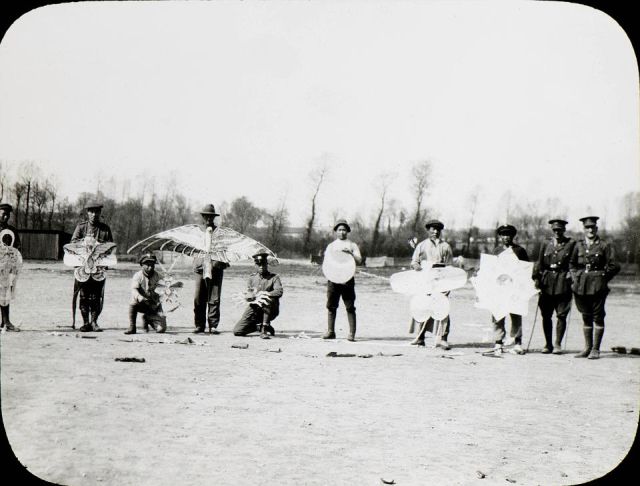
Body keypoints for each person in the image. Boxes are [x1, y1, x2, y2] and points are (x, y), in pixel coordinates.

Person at [570, 216, 620, 359]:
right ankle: (587, 348)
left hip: (598, 286)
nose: (590, 230)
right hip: (580, 286)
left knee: (598, 316)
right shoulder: (578, 245)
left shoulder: (605, 245)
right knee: (585, 316)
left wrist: (603, 278)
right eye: (587, 227)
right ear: (584, 229)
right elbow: (572, 264)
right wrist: (574, 279)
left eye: (592, 227)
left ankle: (596, 349)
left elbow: (614, 266)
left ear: (596, 229)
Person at [409, 219, 454, 349]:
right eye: (432, 229)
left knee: (443, 308)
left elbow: (450, 267)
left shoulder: (446, 246)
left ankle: (444, 338)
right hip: (425, 281)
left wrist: (448, 285)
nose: (435, 231)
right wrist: (416, 266)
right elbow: (414, 261)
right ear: (428, 230)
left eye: (437, 229)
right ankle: (420, 338)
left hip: (441, 282)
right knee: (423, 307)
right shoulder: (421, 245)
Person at [534, 219, 576, 354]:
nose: (557, 232)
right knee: (546, 315)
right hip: (547, 283)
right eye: (555, 230)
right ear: (552, 230)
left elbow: (574, 263)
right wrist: (536, 277)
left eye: (560, 230)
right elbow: (540, 263)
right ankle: (548, 344)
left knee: (561, 315)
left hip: (563, 282)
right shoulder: (546, 243)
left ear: (564, 230)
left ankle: (557, 344)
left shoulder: (571, 244)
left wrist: (572, 275)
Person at [71, 201, 114, 332]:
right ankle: (85, 323)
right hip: (83, 268)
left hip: (98, 268)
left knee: (96, 296)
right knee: (83, 295)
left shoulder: (105, 229)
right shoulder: (81, 228)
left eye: (96, 212)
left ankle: (94, 322)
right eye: (91, 211)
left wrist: (104, 257)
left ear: (100, 213)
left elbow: (111, 247)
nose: (94, 214)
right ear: (87, 213)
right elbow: (73, 244)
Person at [492, 224, 530, 355]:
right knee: (498, 315)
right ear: (500, 236)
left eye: (508, 234)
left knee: (516, 313)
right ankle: (498, 342)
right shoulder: (496, 251)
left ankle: (517, 342)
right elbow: (492, 270)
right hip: (500, 289)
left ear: (513, 236)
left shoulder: (520, 251)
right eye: (503, 234)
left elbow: (526, 270)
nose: (506, 237)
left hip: (515, 289)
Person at [322, 219, 362, 341]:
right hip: (333, 279)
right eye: (339, 229)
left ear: (347, 231)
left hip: (348, 279)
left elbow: (359, 261)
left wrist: (351, 253)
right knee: (331, 306)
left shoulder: (352, 245)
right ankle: (330, 331)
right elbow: (326, 263)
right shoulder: (331, 246)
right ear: (336, 231)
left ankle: (351, 333)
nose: (342, 232)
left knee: (350, 306)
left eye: (344, 229)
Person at [193, 203, 229, 334]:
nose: (209, 218)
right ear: (203, 217)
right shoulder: (197, 232)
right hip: (200, 267)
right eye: (206, 216)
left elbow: (225, 250)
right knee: (198, 297)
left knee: (214, 297)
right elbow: (191, 249)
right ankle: (199, 325)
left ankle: (213, 325)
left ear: (214, 217)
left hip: (216, 268)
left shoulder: (220, 233)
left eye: (211, 216)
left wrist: (218, 263)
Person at [233, 252, 283, 339]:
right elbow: (250, 292)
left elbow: (279, 291)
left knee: (265, 298)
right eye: (258, 264)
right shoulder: (252, 278)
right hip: (255, 308)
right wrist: (248, 296)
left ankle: (264, 327)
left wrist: (265, 294)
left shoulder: (274, 277)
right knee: (237, 331)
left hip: (270, 309)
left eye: (263, 264)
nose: (261, 267)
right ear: (255, 265)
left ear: (267, 265)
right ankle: (259, 327)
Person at [125, 253, 167, 335]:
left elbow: (166, 289)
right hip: (141, 303)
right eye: (147, 265)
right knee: (132, 302)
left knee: (161, 329)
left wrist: (168, 282)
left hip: (154, 304)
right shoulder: (137, 276)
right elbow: (134, 290)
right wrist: (140, 297)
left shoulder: (159, 276)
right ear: (142, 265)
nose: (150, 267)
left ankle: (147, 318)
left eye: (152, 265)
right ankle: (132, 326)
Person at [0, 203, 22, 332]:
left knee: (5, 295)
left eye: (7, 214)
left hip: (6, 269)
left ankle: (6, 322)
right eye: (3, 213)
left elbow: (17, 248)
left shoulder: (12, 231)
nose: (6, 216)